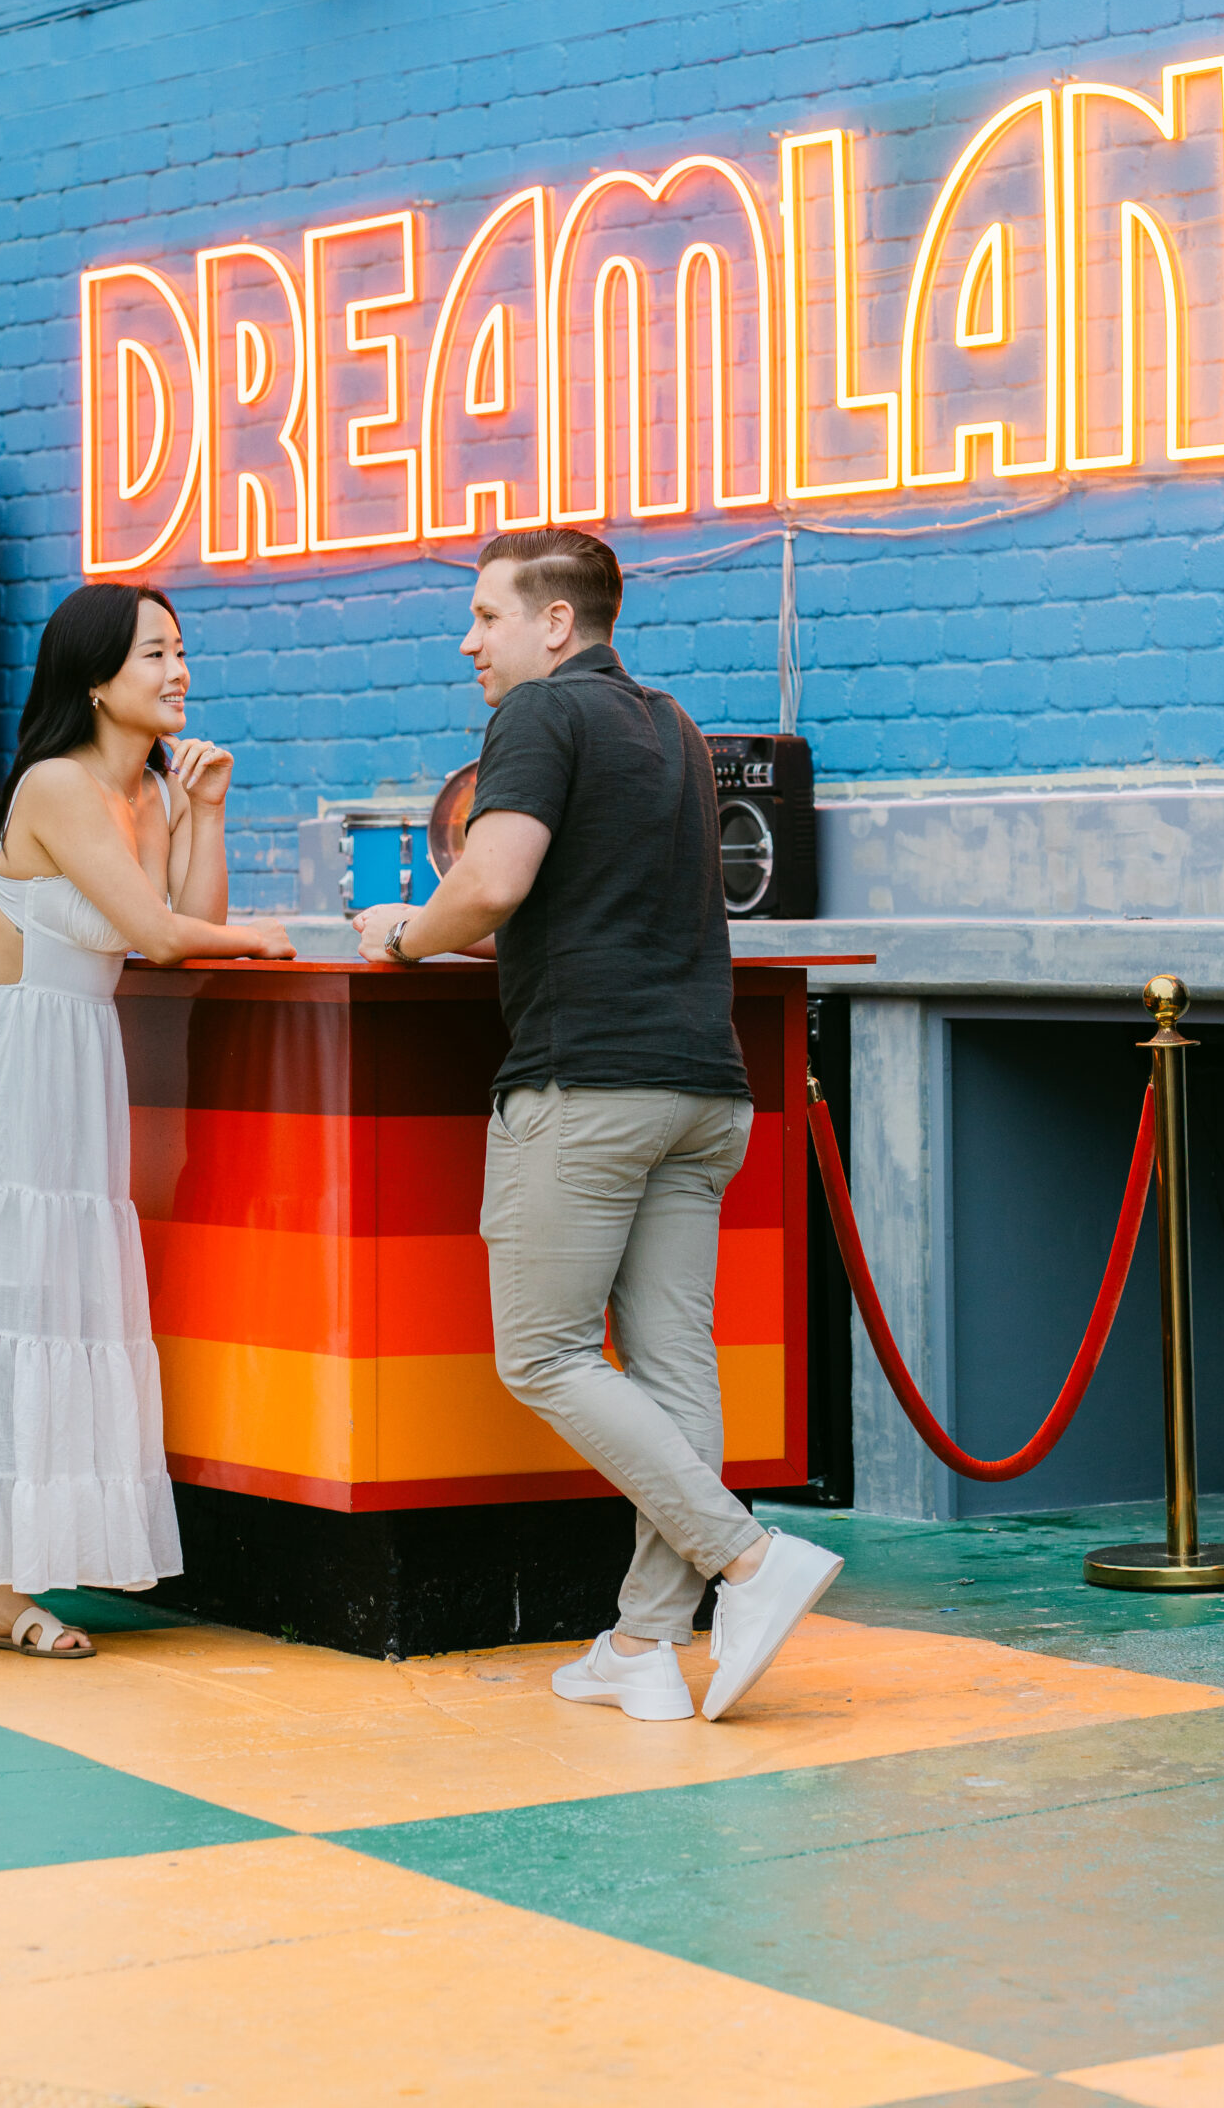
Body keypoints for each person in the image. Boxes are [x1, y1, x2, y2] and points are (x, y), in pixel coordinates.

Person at [357, 527, 841, 1721]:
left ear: (556, 623)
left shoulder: (539, 713)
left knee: (543, 1353)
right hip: (706, 1087)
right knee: (675, 1368)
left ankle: (749, 1559)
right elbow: (598, 902)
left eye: (487, 615)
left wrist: (403, 933)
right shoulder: (671, 725)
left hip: (589, 1087)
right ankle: (644, 1645)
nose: (469, 641)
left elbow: (494, 879)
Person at [0, 582, 295, 1657]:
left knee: (48, 1317)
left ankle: (0, 1592)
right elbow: (163, 936)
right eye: (153, 653)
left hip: (76, 1071)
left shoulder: (153, 793)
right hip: (2, 1064)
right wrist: (261, 938)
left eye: (179, 649)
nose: (178, 671)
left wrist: (209, 810)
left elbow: (189, 920)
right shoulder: (58, 785)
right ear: (95, 680)